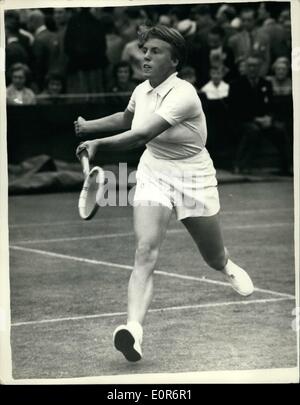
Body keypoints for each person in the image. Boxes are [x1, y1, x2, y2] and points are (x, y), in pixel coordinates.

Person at [74, 25, 254, 363]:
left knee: (212, 256)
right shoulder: (142, 90)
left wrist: (98, 144)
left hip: (193, 176)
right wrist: (91, 127)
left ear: (174, 61)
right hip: (154, 171)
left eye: (155, 52)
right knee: (145, 250)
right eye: (145, 50)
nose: (146, 56)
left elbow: (141, 133)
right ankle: (134, 331)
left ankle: (226, 265)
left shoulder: (184, 94)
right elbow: (127, 118)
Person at [228, 55, 292, 175]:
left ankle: (286, 167)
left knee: (280, 129)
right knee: (253, 130)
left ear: (260, 68)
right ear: (246, 67)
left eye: (255, 66)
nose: (252, 68)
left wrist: (269, 117)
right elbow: (235, 110)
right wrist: (255, 119)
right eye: (250, 66)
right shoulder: (236, 84)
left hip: (263, 121)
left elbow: (271, 105)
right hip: (242, 121)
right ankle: (239, 165)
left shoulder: (266, 83)